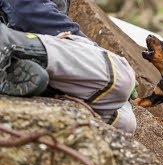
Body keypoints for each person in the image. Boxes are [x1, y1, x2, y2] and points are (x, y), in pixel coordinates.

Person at [0, 0, 137, 133]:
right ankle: (10, 42)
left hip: (35, 52)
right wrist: (95, 51)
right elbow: (28, 13)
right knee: (121, 76)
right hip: (21, 38)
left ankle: (16, 66)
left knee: (125, 121)